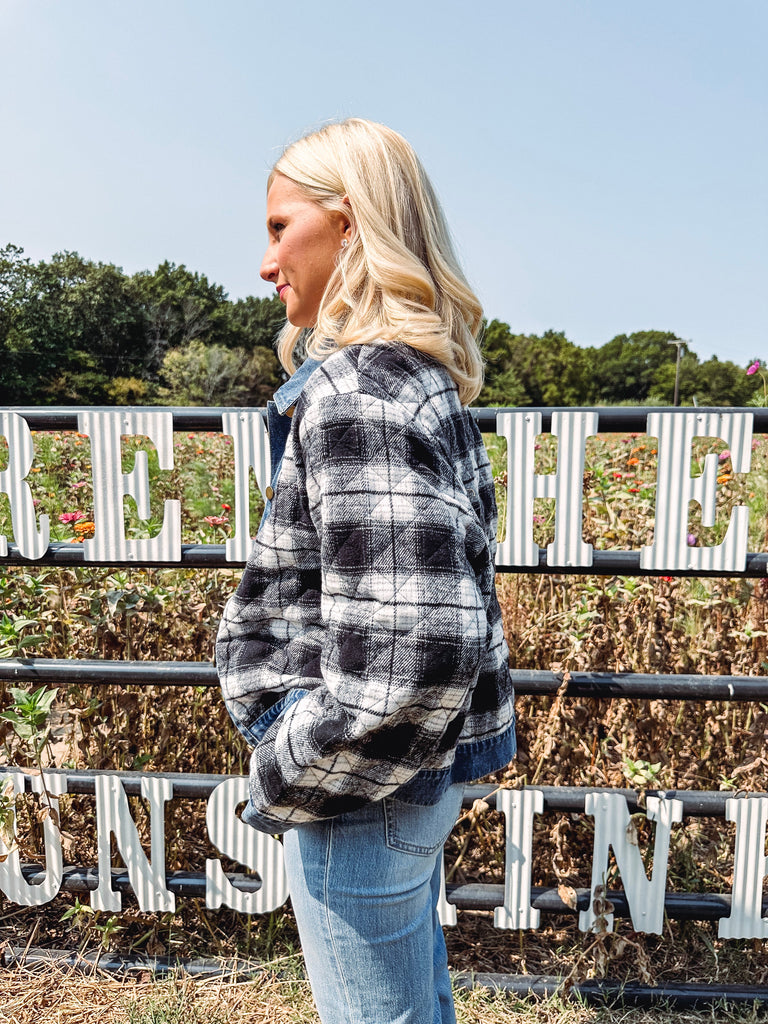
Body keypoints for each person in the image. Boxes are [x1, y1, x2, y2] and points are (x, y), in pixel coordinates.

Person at [216, 118, 516, 1024]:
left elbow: (416, 651)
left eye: (279, 228)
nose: (266, 264)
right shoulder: (416, 378)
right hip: (405, 775)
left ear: (349, 226)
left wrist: (284, 767)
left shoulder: (358, 392)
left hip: (362, 785)